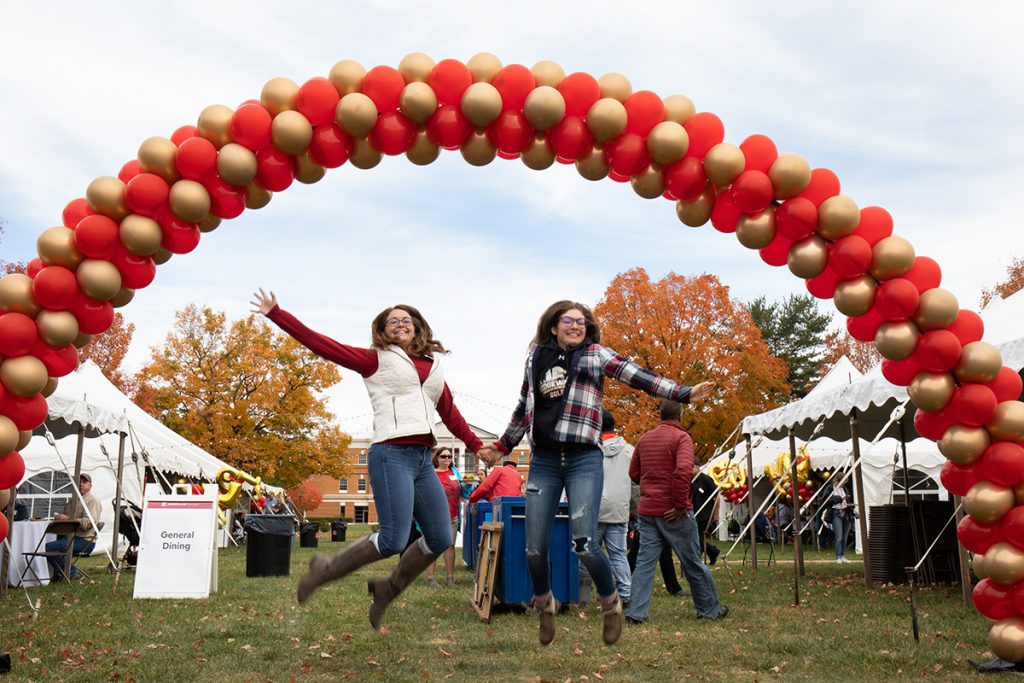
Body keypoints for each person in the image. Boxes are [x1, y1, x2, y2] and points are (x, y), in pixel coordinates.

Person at [252, 289, 496, 632]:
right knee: (393, 539)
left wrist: (475, 445)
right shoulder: (375, 359)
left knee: (441, 536)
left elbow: (450, 413)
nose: (400, 324)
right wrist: (278, 314)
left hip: (422, 461)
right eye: (392, 321)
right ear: (383, 329)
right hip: (390, 455)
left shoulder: (435, 366)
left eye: (406, 320)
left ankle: (387, 589)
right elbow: (323, 345)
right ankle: (324, 571)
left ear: (418, 328)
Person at [491, 300, 714, 646]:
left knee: (584, 542)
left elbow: (638, 376)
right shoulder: (535, 357)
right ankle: (544, 602)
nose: (576, 326)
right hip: (546, 460)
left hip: (583, 458)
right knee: (534, 549)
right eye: (569, 321)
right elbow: (524, 406)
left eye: (582, 322)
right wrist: (503, 445)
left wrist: (683, 393)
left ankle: (611, 604)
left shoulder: (594, 354)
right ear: (554, 326)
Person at [625, 400, 728, 624]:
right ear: (680, 414)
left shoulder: (644, 439)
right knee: (691, 560)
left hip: (648, 510)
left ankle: (636, 612)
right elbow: (683, 471)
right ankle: (709, 609)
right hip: (674, 510)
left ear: (660, 415)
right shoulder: (682, 438)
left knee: (644, 563)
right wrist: (681, 505)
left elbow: (634, 473)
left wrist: (650, 484)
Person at [595, 409, 634, 606]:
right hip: (619, 508)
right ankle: (626, 593)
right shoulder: (630, 451)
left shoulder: (591, 450)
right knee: (618, 554)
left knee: (587, 552)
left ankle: (583, 592)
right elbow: (636, 482)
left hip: (593, 508)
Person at [46, 472, 102, 580]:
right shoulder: (73, 502)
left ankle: (72, 572)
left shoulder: (92, 501)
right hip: (70, 536)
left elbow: (88, 524)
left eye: (84, 482)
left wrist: (66, 519)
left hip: (84, 540)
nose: (81, 484)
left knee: (48, 548)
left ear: (90, 485)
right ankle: (58, 573)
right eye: (79, 482)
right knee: (48, 543)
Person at [426, 446, 465, 587]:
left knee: (450, 546)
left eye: (449, 456)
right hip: (434, 516)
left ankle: (450, 578)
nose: (447, 459)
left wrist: (466, 487)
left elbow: (463, 492)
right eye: (443, 456)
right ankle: (431, 577)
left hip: (452, 515)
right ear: (436, 458)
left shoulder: (454, 472)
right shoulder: (430, 473)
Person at [690, 470, 721, 565]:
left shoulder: (706, 479)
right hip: (695, 513)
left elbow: (717, 497)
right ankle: (712, 551)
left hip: (705, 513)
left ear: (697, 467)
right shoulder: (692, 481)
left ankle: (698, 559)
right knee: (696, 538)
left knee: (698, 537)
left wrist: (715, 514)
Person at [829, 479, 855, 563]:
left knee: (845, 536)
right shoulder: (831, 488)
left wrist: (847, 501)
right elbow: (829, 500)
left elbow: (847, 500)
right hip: (836, 513)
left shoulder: (845, 489)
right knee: (839, 536)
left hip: (845, 513)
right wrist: (841, 498)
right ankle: (838, 556)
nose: (845, 483)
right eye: (844, 481)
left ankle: (843, 555)